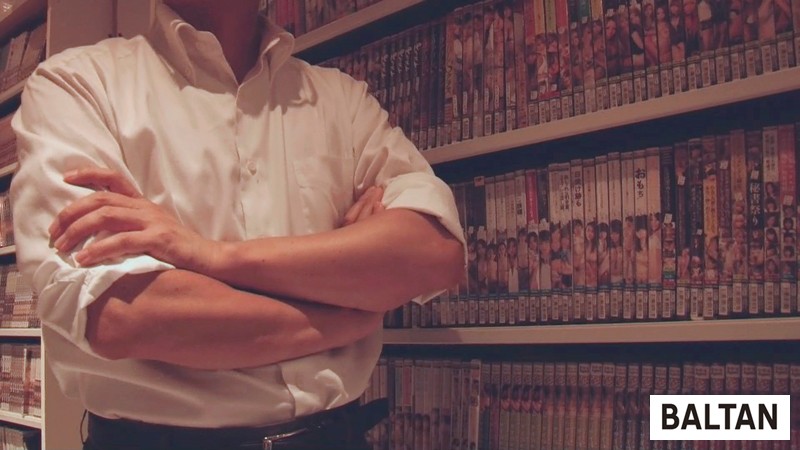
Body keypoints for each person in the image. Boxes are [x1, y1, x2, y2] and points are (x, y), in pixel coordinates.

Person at [10, 1, 465, 449]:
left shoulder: (342, 100)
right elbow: (122, 315)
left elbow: (434, 254)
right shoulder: (76, 85)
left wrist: (208, 255)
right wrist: (347, 313)